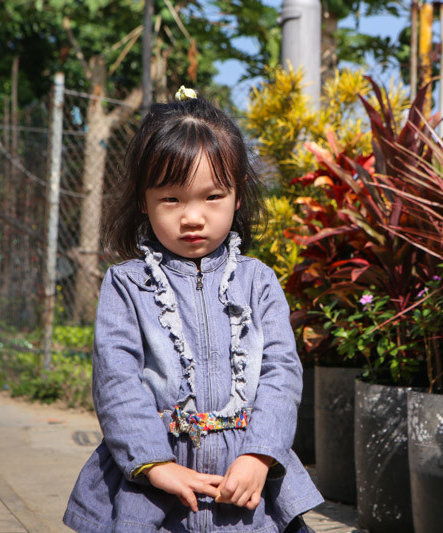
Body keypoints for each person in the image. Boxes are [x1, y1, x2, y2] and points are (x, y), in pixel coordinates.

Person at [63, 87, 323, 532]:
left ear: (238, 196)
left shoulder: (258, 281)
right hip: (154, 486)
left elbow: (281, 372)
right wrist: (155, 464)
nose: (193, 217)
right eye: (172, 199)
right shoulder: (126, 285)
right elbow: (117, 380)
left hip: (243, 480)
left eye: (212, 196)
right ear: (143, 200)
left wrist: (259, 455)